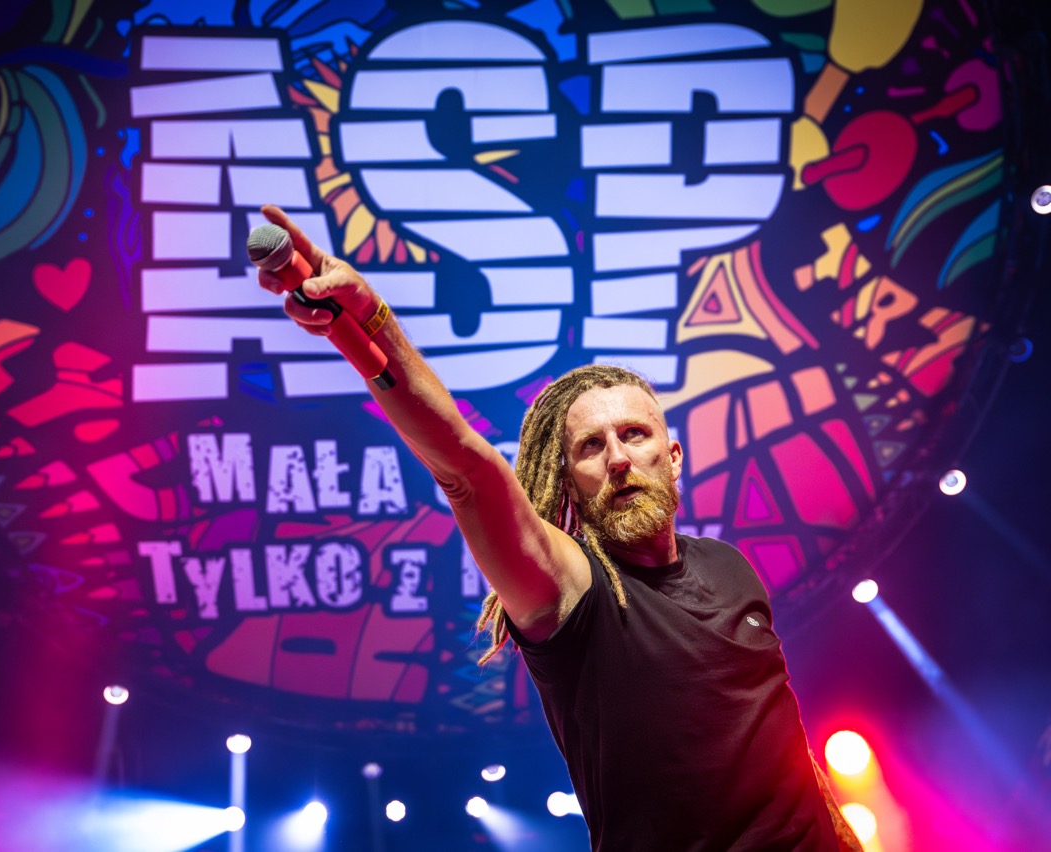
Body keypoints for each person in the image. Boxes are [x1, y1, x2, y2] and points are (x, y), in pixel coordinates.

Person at [256, 205, 860, 851]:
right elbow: (467, 470)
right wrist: (368, 324)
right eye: (591, 446)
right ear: (568, 481)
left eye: (634, 434)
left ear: (673, 455)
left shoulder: (727, 565)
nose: (619, 458)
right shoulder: (571, 590)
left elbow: (784, 742)